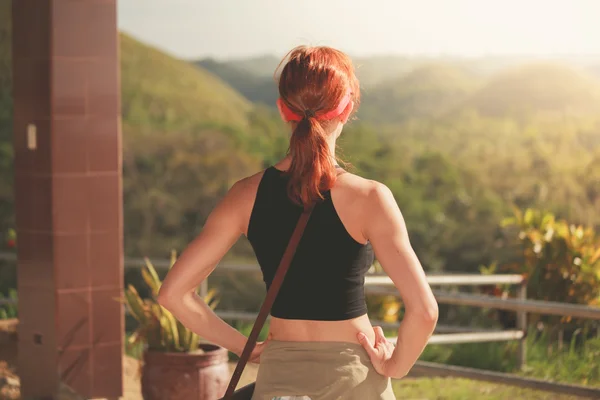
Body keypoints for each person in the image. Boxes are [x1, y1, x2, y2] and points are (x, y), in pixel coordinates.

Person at [158, 45, 439, 400]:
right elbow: (425, 311)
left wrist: (248, 347)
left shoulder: (244, 196)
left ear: (282, 109)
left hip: (279, 379)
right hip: (356, 380)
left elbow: (173, 294)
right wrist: (393, 366)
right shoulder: (370, 199)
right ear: (348, 108)